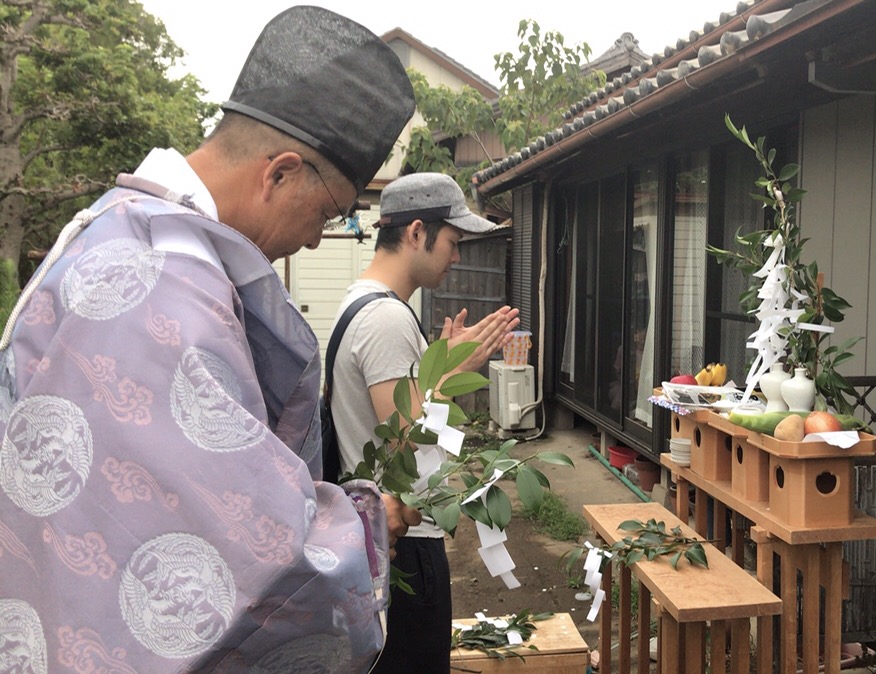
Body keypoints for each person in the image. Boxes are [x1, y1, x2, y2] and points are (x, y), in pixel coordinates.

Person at [0, 7, 416, 672]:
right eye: (329, 213)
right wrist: (365, 528)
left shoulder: (121, 230)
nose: (317, 240)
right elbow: (249, 554)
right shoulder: (165, 283)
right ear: (279, 173)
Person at [329, 172, 520, 673]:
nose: (456, 256)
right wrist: (454, 371)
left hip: (386, 535)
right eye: (453, 241)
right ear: (417, 232)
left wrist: (438, 362)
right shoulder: (386, 319)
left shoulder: (363, 302)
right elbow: (404, 442)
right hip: (403, 545)